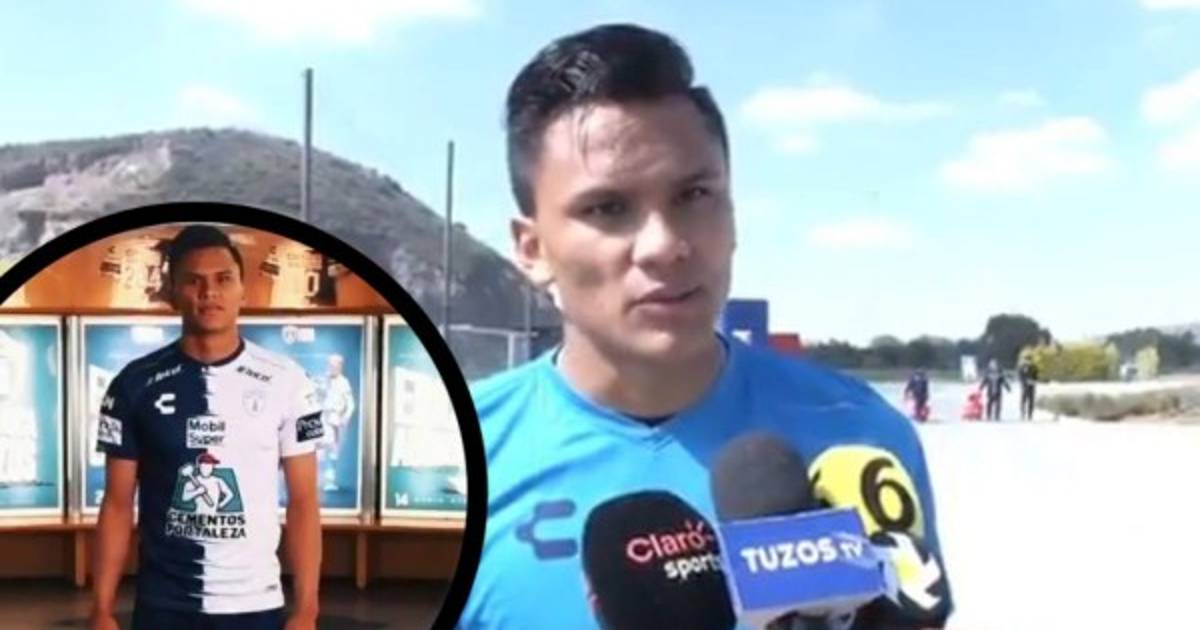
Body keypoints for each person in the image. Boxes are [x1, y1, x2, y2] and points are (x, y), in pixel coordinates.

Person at [457, 24, 952, 629]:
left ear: (733, 214)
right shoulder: (449, 462)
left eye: (693, 195)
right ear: (532, 249)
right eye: (608, 208)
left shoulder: (862, 434)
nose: (665, 246)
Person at [90, 225, 324, 630]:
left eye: (223, 279)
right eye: (194, 281)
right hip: (163, 605)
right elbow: (116, 503)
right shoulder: (133, 384)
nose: (209, 292)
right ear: (172, 291)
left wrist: (307, 610)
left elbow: (303, 501)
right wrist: (101, 609)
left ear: (243, 290)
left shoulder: (289, 381)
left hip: (255, 604)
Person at [318, 354, 355, 491]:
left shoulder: (344, 382)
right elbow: (316, 398)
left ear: (340, 366)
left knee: (333, 451)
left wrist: (345, 417)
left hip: (335, 419)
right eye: (330, 365)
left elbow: (351, 404)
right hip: (322, 417)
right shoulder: (323, 379)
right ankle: (318, 481)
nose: (332, 367)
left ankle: (330, 480)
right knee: (319, 451)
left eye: (335, 365)